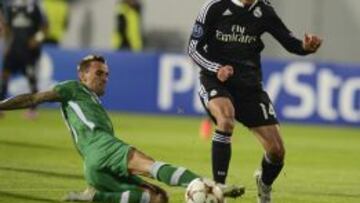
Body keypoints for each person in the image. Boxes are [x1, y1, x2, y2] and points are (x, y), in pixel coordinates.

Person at [0, 54, 244, 203]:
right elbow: (34, 98)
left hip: (93, 167)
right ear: (83, 76)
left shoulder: (94, 104)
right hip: (103, 148)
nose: (105, 77)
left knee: (159, 198)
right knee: (151, 166)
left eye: (106, 74)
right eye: (98, 73)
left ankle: (97, 196)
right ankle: (213, 185)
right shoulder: (71, 88)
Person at [187, 0, 322, 202]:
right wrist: (217, 68)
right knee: (226, 118)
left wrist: (306, 46)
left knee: (277, 151)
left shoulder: (264, 10)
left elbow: (290, 42)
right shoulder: (214, 7)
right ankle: (218, 186)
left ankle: (264, 184)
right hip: (216, 80)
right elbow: (193, 48)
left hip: (249, 87)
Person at [0, 0, 48, 118]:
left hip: (28, 51)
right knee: (5, 77)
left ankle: (33, 109)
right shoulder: (11, 6)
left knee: (31, 78)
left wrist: (37, 39)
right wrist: (6, 45)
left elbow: (45, 27)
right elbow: (7, 27)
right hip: (13, 49)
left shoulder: (35, 6)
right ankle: (1, 107)